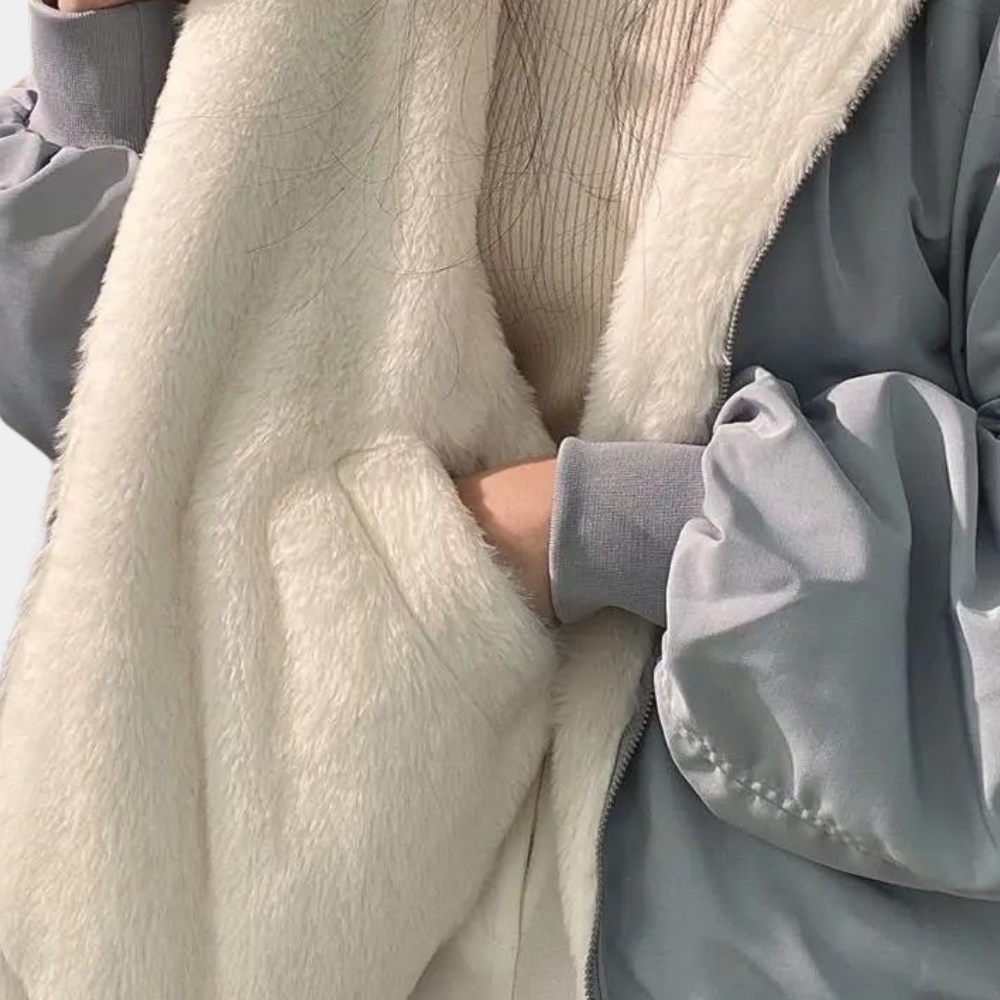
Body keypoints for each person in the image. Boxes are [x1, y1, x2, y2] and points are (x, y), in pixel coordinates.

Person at [3, 0, 1000, 997]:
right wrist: (104, 30)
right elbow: (177, 417)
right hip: (342, 901)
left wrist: (590, 525)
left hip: (745, 943)